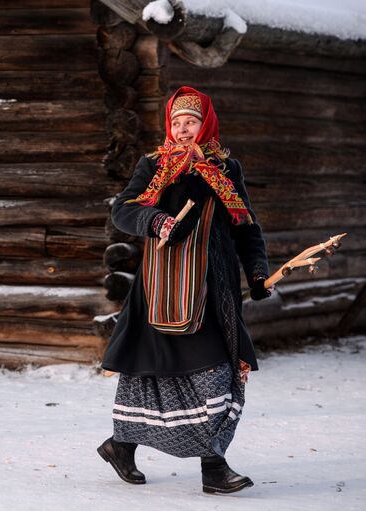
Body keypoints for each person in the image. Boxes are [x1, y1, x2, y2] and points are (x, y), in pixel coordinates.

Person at [96, 86, 272, 494]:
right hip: (164, 287)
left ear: (206, 124)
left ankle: (201, 464)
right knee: (152, 372)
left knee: (217, 374)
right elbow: (124, 209)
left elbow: (246, 227)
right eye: (176, 123)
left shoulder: (226, 170)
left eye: (190, 122)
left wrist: (258, 273)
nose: (183, 130)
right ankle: (136, 449)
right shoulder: (154, 165)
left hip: (215, 290)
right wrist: (157, 222)